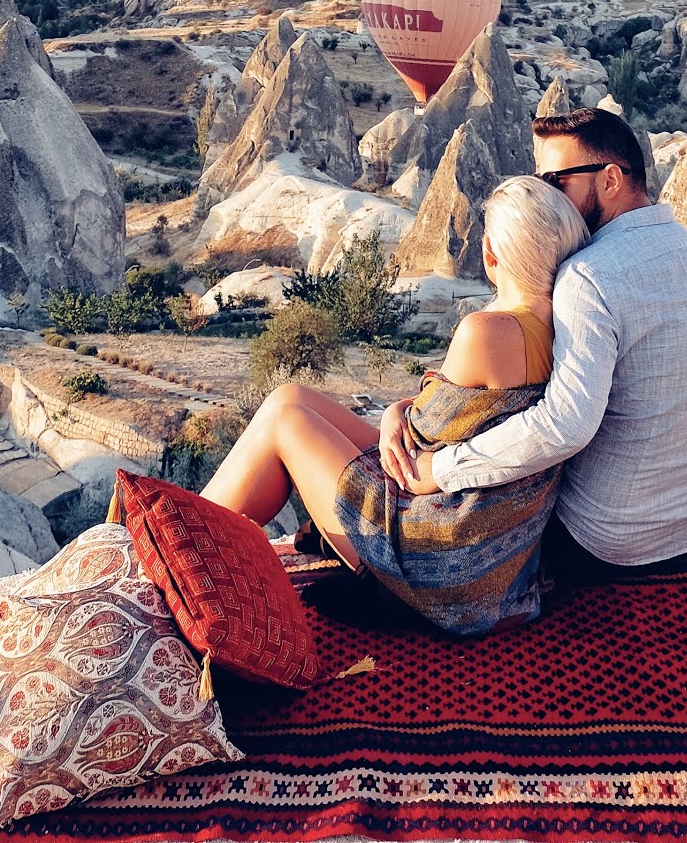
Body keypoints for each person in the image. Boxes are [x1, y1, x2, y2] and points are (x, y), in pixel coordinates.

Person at [199, 175, 589, 636]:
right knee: (290, 396)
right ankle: (195, 535)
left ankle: (190, 546)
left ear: (490, 254)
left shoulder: (487, 332)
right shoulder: (570, 333)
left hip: (443, 560)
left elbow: (417, 439)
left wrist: (396, 416)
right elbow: (448, 415)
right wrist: (392, 413)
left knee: (286, 419)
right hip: (497, 558)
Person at [381, 106, 687, 581]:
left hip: (601, 540)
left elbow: (565, 424)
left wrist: (441, 470)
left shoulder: (588, 276)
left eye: (556, 181)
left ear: (610, 179)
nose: (548, 195)